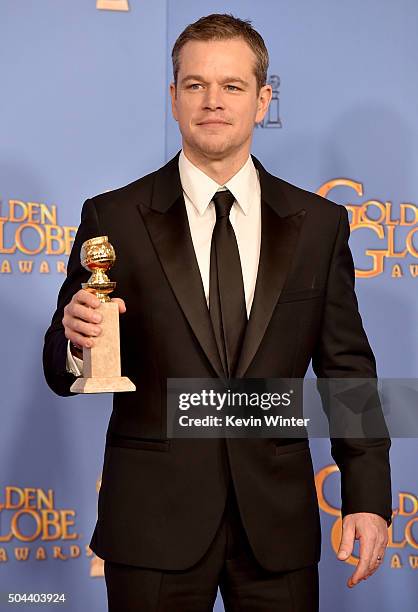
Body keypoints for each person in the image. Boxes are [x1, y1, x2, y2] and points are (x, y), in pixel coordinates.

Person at [43, 13, 392, 612]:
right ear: (173, 99)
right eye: (194, 85)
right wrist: (76, 343)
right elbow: (60, 365)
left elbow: (347, 369)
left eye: (232, 86)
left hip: (276, 523)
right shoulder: (114, 218)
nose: (212, 101)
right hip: (152, 521)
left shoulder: (319, 226)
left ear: (262, 101)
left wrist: (366, 494)